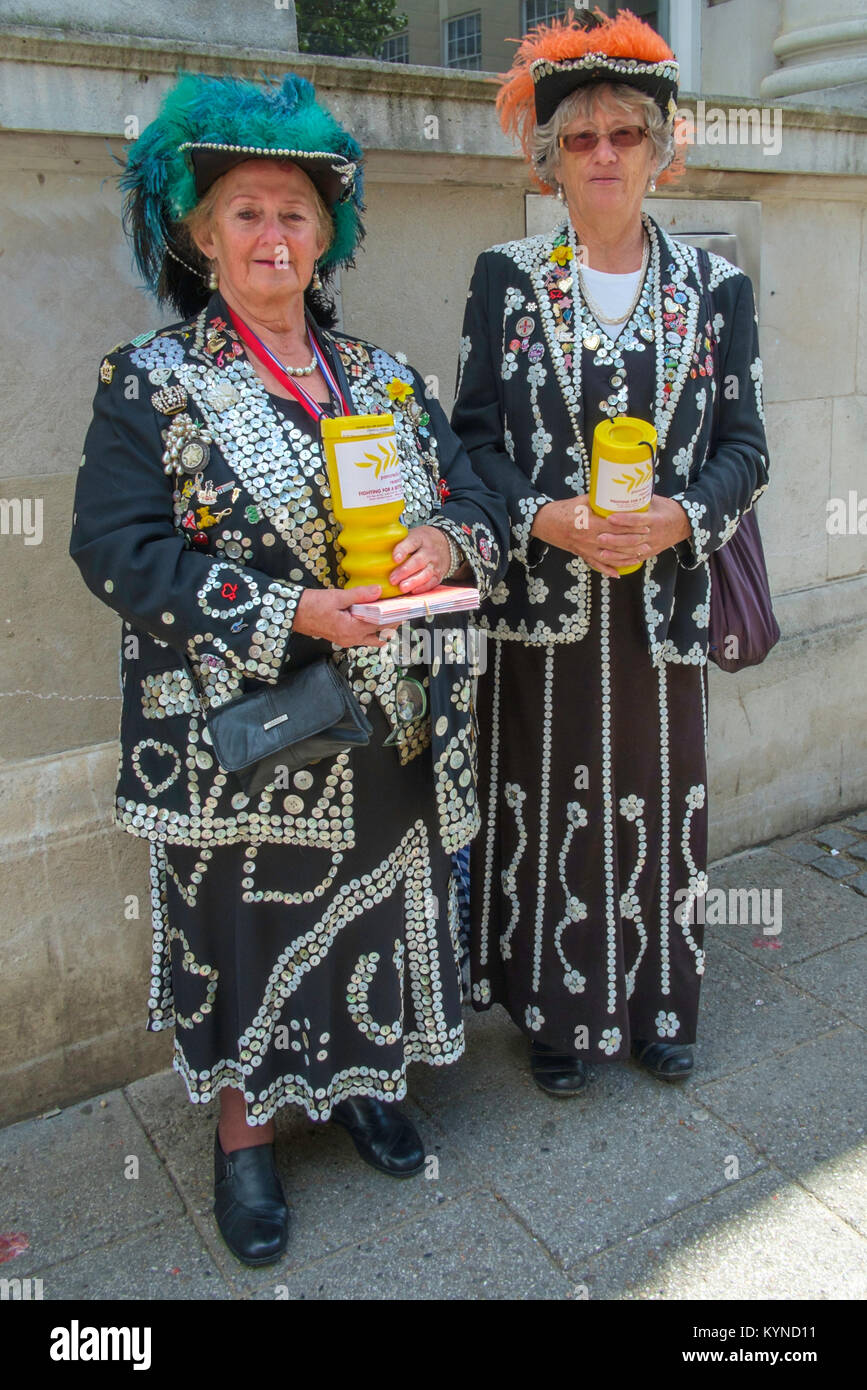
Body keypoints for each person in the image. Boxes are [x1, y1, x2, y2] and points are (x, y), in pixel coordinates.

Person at [70, 71, 507, 1265]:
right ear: (200, 233)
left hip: (391, 715)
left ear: (329, 238)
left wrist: (449, 536)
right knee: (248, 923)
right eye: (248, 213)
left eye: (297, 215)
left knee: (375, 905)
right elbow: (114, 548)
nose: (275, 235)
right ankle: (246, 1133)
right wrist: (292, 609)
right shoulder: (151, 384)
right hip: (248, 723)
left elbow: (483, 491)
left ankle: (368, 1082)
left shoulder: (390, 377)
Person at [451, 10, 769, 1096]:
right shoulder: (503, 279)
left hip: (663, 606)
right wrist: (543, 516)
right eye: (577, 136)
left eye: (623, 134)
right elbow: (468, 441)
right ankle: (553, 1011)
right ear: (548, 160)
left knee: (658, 793)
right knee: (547, 797)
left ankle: (659, 1003)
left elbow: (748, 446)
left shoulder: (716, 290)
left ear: (660, 148)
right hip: (542, 608)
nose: (600, 154)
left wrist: (681, 517)